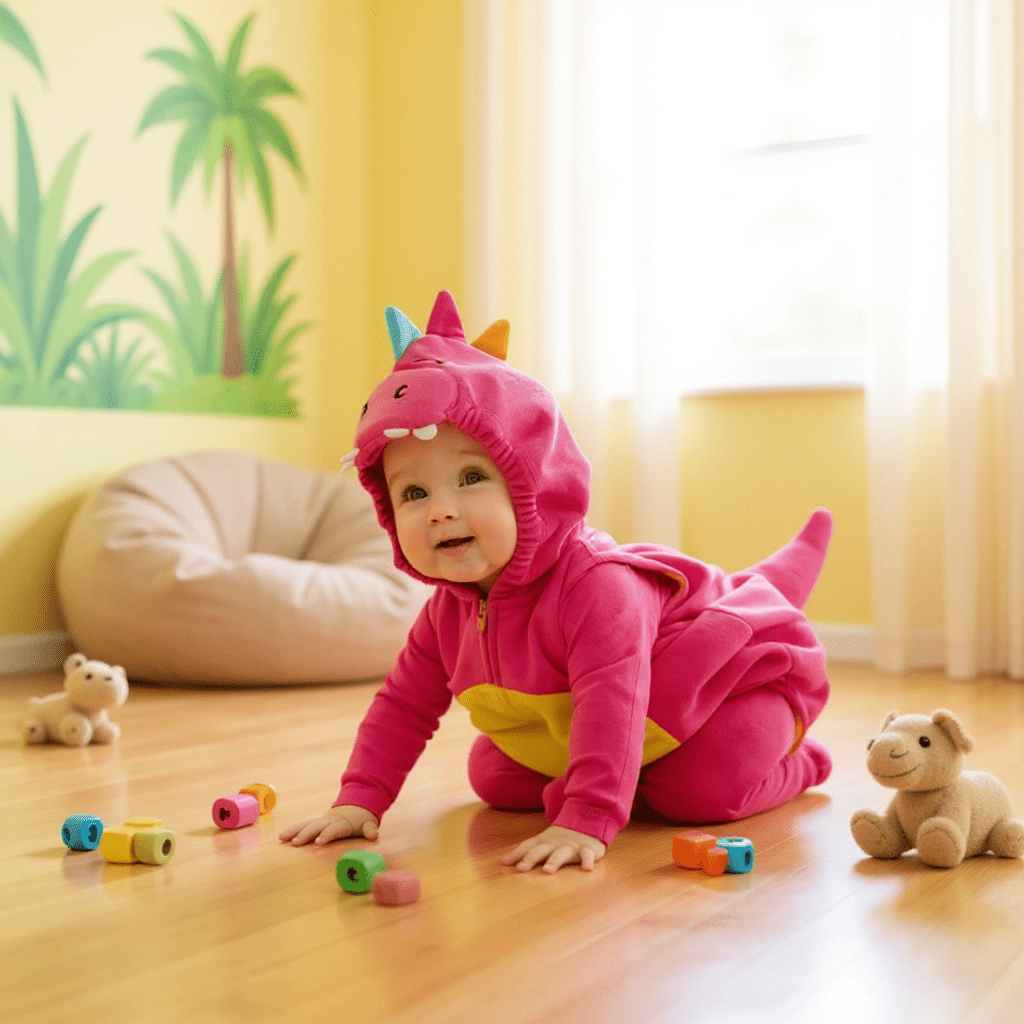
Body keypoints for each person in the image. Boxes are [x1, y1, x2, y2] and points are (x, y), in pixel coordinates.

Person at [280, 290, 833, 873]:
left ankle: (802, 761)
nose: (440, 510)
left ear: (535, 482)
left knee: (695, 794)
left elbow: (611, 701)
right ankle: (629, 780)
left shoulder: (597, 588)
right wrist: (358, 800)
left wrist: (587, 817)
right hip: (613, 729)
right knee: (493, 775)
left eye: (471, 477)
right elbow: (404, 706)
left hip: (722, 694)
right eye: (414, 493)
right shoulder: (446, 613)